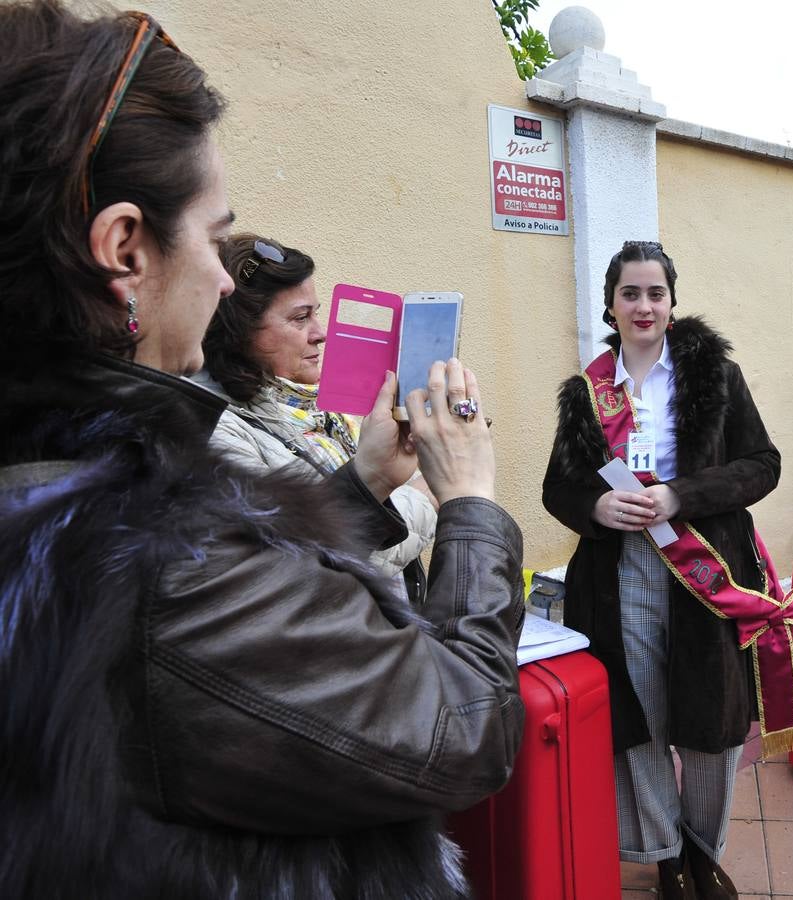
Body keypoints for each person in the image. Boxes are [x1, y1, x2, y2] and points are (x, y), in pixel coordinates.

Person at [0, 4, 523, 896]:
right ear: (124, 248)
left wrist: (358, 487)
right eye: (212, 238)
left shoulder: (61, 483)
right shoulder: (156, 556)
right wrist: (473, 505)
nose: (218, 276)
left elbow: (246, 647)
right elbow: (463, 726)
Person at [543, 240, 793, 900]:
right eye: (630, 293)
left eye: (655, 292)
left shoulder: (715, 377)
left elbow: (762, 465)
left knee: (711, 723)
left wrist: (679, 495)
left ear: (672, 301)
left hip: (707, 575)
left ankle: (702, 851)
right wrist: (599, 505)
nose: (643, 305)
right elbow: (559, 489)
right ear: (610, 304)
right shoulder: (586, 393)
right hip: (618, 574)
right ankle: (664, 857)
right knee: (642, 723)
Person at [199, 233, 437, 599]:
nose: (321, 334)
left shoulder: (328, 404)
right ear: (240, 332)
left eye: (317, 313)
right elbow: (310, 572)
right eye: (300, 318)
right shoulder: (219, 432)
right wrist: (426, 495)